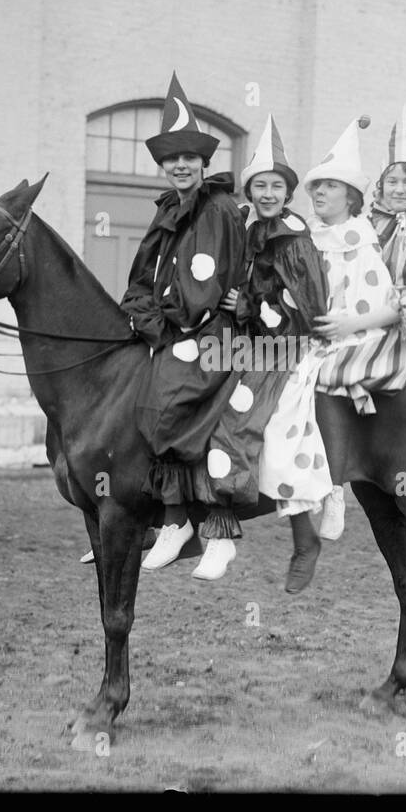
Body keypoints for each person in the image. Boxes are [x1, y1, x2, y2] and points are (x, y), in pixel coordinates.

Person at [119, 73, 247, 578]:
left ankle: (217, 530)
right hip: (172, 334)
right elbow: (141, 280)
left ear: (203, 162)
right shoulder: (166, 212)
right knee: (142, 403)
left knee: (183, 408)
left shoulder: (221, 209)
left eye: (189, 158)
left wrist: (232, 307)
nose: (180, 165)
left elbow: (223, 279)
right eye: (171, 159)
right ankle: (170, 521)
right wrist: (151, 325)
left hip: (216, 334)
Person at [309, 101, 406, 549]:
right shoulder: (365, 224)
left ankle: (333, 487)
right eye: (392, 180)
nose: (399, 189)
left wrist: (350, 323)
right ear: (381, 185)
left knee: (326, 373)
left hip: (391, 329)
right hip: (348, 317)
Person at [203, 115, 332, 590]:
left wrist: (253, 304)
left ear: (288, 191)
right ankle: (179, 521)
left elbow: (308, 307)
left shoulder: (295, 239)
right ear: (250, 189)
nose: (268, 193)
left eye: (277, 185)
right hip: (235, 338)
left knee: (270, 429)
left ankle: (304, 539)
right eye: (260, 185)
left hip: (283, 345)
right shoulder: (238, 224)